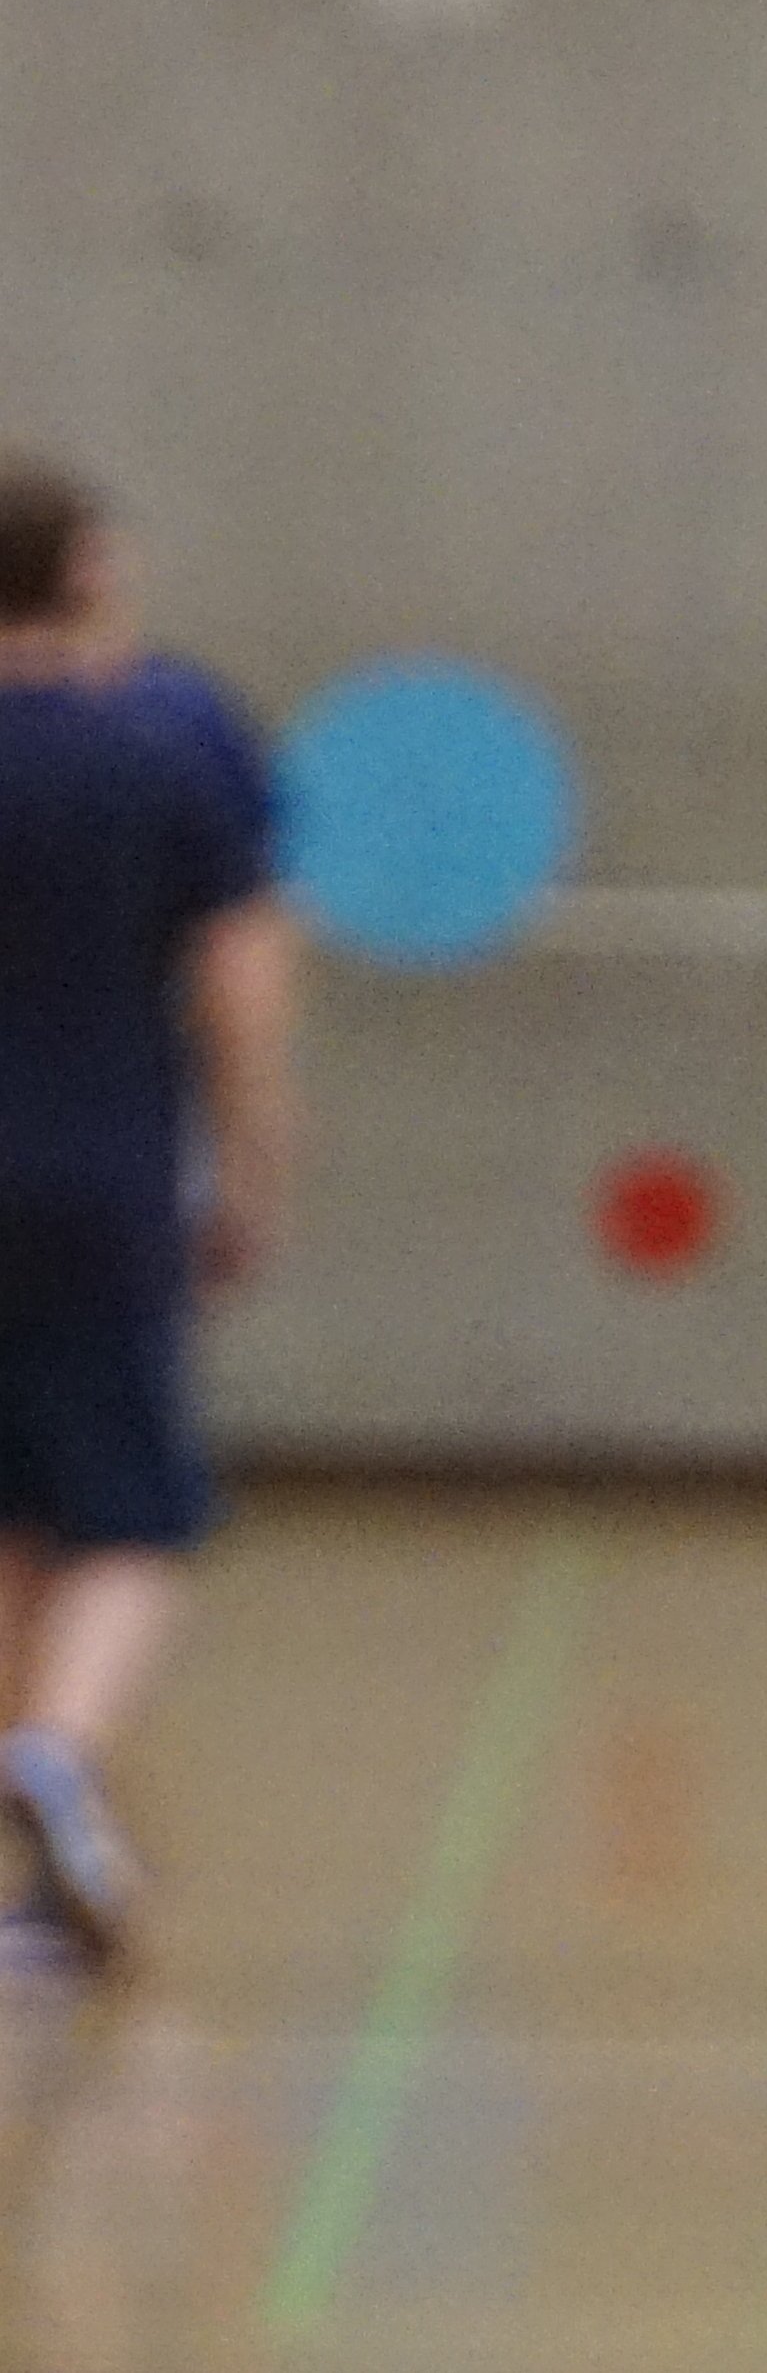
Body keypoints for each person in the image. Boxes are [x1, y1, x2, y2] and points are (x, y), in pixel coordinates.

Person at [0, 460, 297, 1970]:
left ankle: (44, 1872)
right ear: (92, 567)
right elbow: (245, 986)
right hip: (98, 1177)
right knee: (128, 1519)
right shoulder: (170, 742)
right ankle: (57, 1749)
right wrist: (251, 1171)